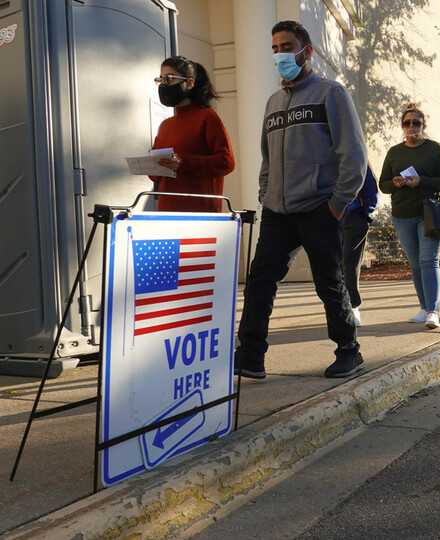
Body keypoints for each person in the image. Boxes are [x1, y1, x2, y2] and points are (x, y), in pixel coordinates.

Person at [235, 21, 368, 380]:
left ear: (306, 51)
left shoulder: (330, 93)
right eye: (275, 48)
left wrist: (336, 204)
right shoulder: (273, 102)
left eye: (287, 46)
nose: (280, 54)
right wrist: (266, 195)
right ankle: (250, 356)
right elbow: (266, 158)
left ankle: (349, 352)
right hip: (277, 212)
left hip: (319, 208)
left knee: (329, 282)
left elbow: (354, 155)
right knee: (260, 281)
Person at [379, 104, 440, 328]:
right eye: (407, 123)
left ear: (423, 125)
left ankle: (433, 311)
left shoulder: (435, 149)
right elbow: (383, 184)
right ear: (402, 126)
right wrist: (394, 183)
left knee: (428, 260)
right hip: (402, 215)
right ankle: (424, 308)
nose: (411, 126)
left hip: (430, 213)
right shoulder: (394, 152)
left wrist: (422, 181)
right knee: (415, 263)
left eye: (416, 122)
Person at [150, 56, 235, 212]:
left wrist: (183, 162)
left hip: (199, 215)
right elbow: (156, 177)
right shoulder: (165, 125)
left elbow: (226, 162)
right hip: (166, 214)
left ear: (189, 83)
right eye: (160, 80)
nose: (163, 85)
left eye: (168, 79)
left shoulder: (207, 117)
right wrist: (152, 166)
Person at [342, 164, 379, 325]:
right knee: (332, 266)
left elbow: (371, 187)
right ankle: (338, 307)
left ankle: (353, 305)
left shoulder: (358, 158)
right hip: (327, 219)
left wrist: (365, 213)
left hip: (354, 217)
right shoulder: (320, 155)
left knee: (349, 263)